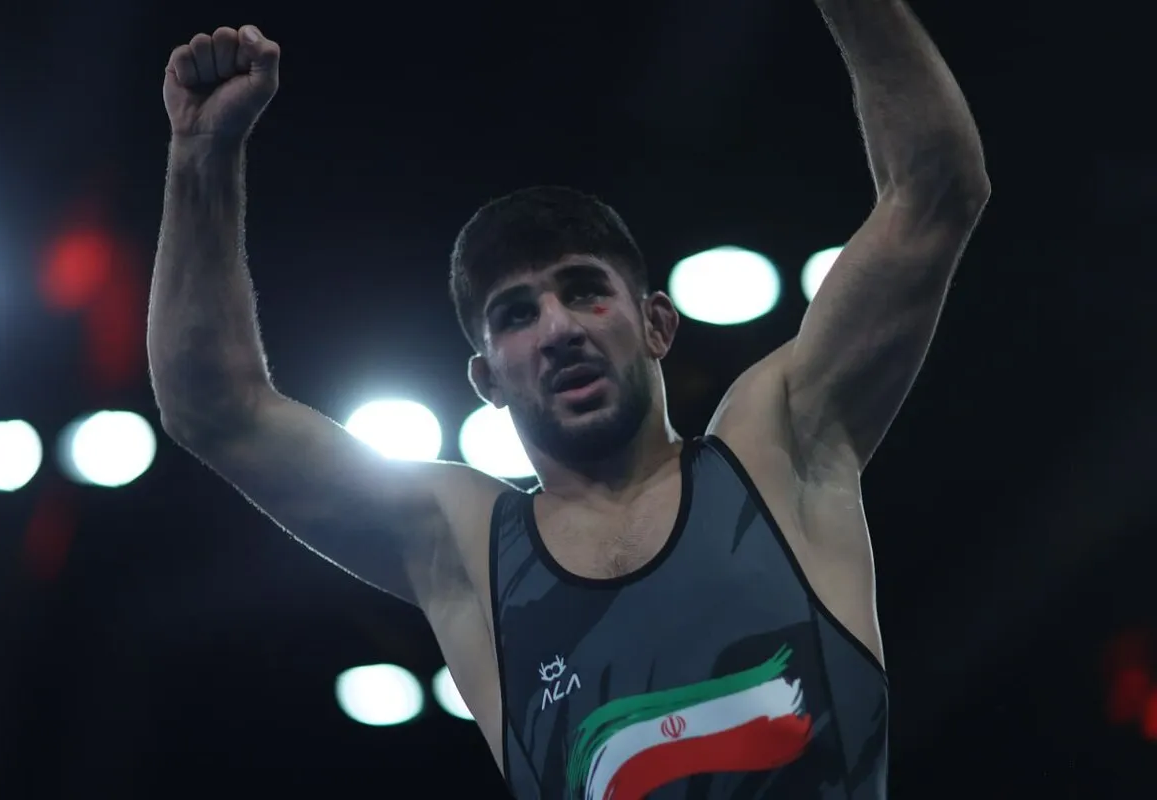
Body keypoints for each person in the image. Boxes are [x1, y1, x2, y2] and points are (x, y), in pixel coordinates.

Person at [149, 2, 988, 797]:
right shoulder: (466, 547)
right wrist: (201, 158)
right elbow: (213, 408)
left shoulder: (779, 444)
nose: (557, 329)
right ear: (486, 381)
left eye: (584, 291)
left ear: (656, 324)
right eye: (516, 315)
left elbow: (936, 193)